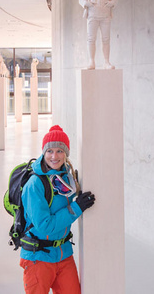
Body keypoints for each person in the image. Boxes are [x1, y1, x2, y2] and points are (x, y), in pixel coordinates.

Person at [19, 125, 96, 294]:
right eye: (50, 151)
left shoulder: (66, 176)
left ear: (66, 153)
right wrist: (77, 207)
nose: (55, 156)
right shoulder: (34, 185)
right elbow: (44, 225)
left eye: (60, 151)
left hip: (64, 254)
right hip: (37, 258)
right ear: (44, 152)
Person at [78, 0, 117, 70]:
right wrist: (86, 3)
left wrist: (111, 2)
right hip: (93, 15)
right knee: (91, 38)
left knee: (106, 39)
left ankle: (106, 61)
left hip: (105, 16)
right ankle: (92, 61)